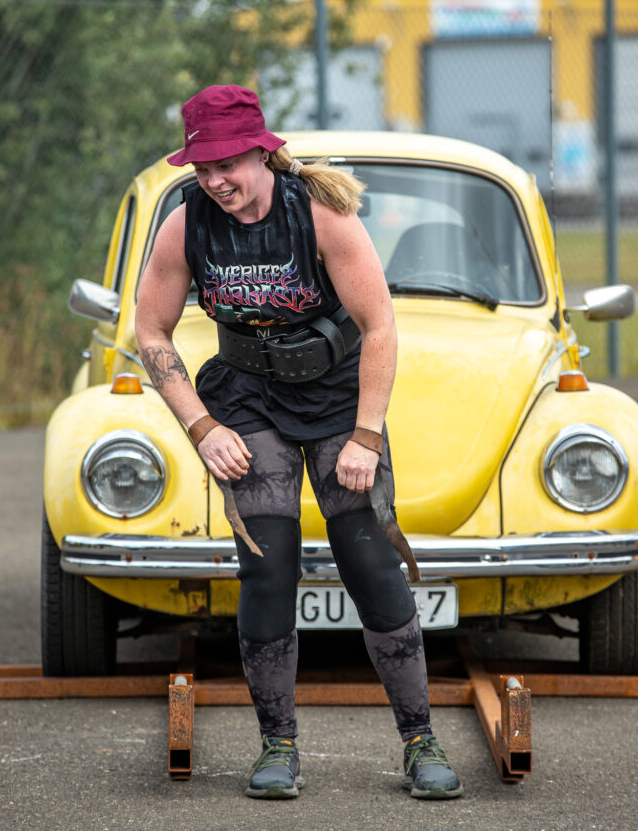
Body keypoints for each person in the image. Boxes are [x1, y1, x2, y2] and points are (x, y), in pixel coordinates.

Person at [135, 84, 463, 801]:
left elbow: (379, 325)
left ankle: (420, 740)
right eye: (202, 168)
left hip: (339, 395)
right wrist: (202, 426)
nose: (215, 181)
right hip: (246, 398)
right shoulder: (185, 224)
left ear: (262, 152)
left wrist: (366, 437)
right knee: (267, 569)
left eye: (227, 165)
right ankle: (277, 744)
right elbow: (150, 329)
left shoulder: (318, 213)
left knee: (370, 562)